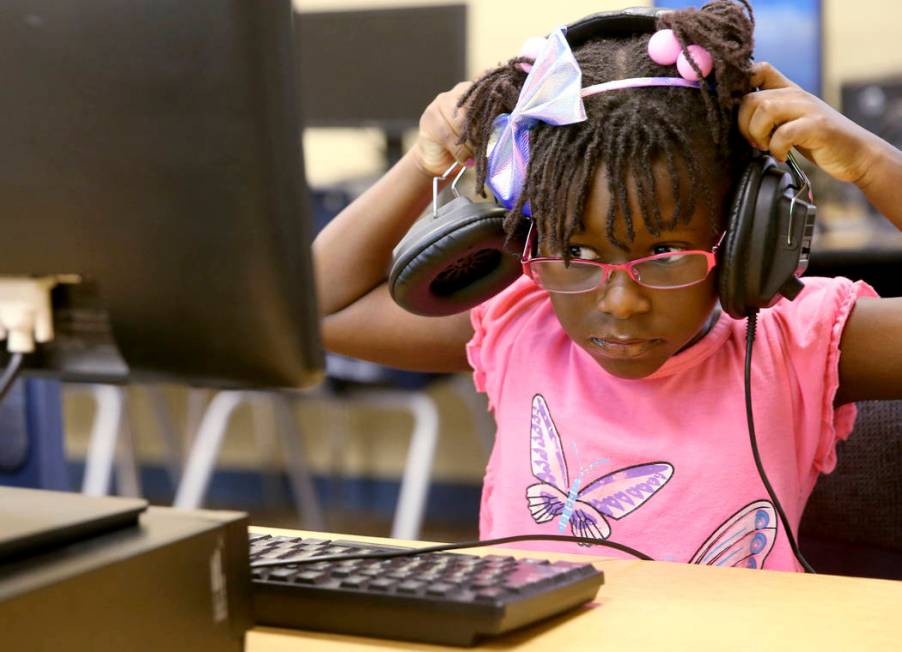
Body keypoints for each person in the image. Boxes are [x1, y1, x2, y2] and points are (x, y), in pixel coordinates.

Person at [313, 0, 902, 571]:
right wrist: (425, 161)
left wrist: (868, 162)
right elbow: (316, 308)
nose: (620, 303)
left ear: (745, 238)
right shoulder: (524, 323)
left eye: (667, 253)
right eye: (577, 253)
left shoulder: (794, 344)